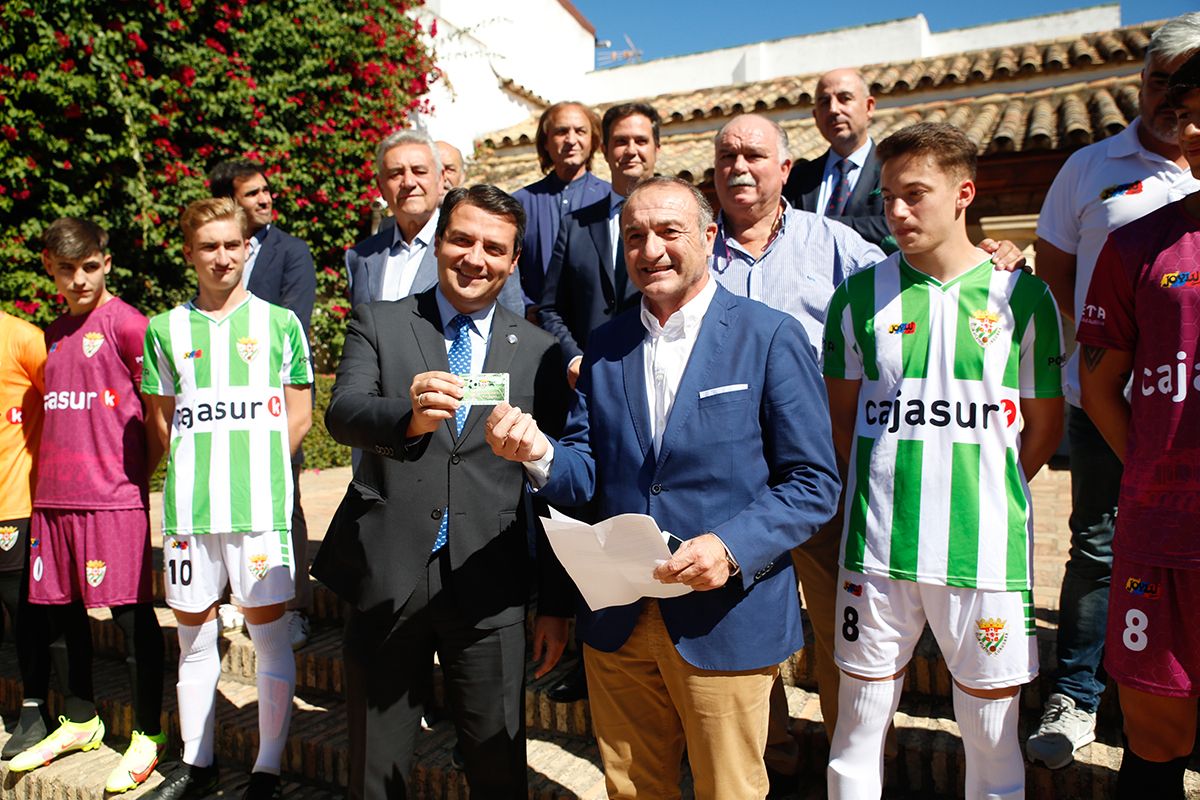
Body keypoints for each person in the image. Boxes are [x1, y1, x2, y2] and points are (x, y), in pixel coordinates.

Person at [487, 176, 841, 799]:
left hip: (723, 618)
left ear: (709, 237)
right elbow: (588, 468)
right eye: (634, 237)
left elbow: (812, 483)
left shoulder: (770, 336)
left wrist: (729, 548)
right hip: (619, 618)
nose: (650, 249)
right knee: (633, 791)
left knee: (728, 789)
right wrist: (539, 454)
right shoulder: (607, 344)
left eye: (668, 233)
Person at [822, 122, 1064, 799]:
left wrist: (985, 488)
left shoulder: (1023, 295)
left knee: (992, 743)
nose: (897, 211)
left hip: (983, 551)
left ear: (964, 194)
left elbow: (1043, 430)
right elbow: (845, 428)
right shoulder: (856, 298)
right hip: (875, 551)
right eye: (889, 195)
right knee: (855, 736)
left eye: (915, 194)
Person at [311, 184, 575, 799]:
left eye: (494, 247)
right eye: (461, 239)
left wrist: (557, 604)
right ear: (439, 243)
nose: (474, 257)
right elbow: (343, 412)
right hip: (390, 570)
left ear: (513, 262)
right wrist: (407, 419)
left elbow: (557, 484)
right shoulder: (381, 320)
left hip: (491, 583)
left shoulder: (539, 352)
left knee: (497, 763)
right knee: (377, 767)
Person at [1025, 11, 1200, 769]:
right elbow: (1057, 271)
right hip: (1111, 399)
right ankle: (1080, 692)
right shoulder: (1091, 165)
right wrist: (1111, 349)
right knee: (1101, 544)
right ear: (1140, 82)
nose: (1171, 98)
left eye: (1186, 84)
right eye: (1159, 81)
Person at [141, 198, 313, 800]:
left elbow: (299, 416)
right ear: (189, 253)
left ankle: (267, 766)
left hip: (261, 512)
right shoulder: (164, 329)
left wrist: (260, 468)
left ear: (248, 248)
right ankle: (198, 761)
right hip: (190, 512)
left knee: (267, 637)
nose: (221, 256)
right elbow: (162, 425)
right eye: (208, 246)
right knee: (193, 640)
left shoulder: (280, 323)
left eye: (231, 244)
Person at [1072, 51, 1200, 799]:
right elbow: (1099, 385)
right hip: (1162, 536)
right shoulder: (1134, 244)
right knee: (1155, 737)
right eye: (1186, 103)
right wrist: (1152, 467)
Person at [10, 219, 167, 794]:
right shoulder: (49, 334)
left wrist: (133, 481)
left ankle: (149, 732)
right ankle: (81, 719)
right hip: (52, 500)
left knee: (130, 618)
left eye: (90, 267)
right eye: (66, 269)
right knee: (58, 612)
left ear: (107, 261)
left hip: (113, 501)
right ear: (50, 267)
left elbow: (159, 417)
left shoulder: (130, 325)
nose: (79, 280)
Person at [210, 158, 318, 650]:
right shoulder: (217, 254)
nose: (265, 199)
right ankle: (236, 595)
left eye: (266, 191)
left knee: (283, 497)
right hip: (219, 396)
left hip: (274, 393)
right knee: (224, 495)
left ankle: (294, 606)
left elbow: (290, 321)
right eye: (252, 194)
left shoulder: (291, 253)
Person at [540, 102, 660, 393]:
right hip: (588, 382)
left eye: (641, 141)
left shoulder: (680, 221)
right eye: (620, 141)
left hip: (658, 375)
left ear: (657, 147)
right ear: (604, 150)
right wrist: (573, 357)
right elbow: (550, 308)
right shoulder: (576, 225)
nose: (631, 150)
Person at [345, 129, 524, 316]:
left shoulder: (483, 249)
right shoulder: (360, 257)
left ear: (440, 180)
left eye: (419, 171)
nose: (408, 182)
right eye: (396, 173)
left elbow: (511, 322)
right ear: (381, 186)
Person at [0, 308, 51, 759]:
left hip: (13, 504)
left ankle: (34, 710)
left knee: (21, 615)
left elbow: (61, 408)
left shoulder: (22, 337)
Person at [513, 102, 611, 307]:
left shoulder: (611, 199)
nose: (571, 140)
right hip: (535, 328)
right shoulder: (520, 203)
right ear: (546, 142)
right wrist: (524, 307)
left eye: (580, 131)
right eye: (561, 131)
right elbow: (505, 266)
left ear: (592, 140)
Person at [783, 69, 891, 248]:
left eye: (845, 98)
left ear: (869, 107)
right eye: (824, 102)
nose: (833, 109)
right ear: (815, 116)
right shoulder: (798, 179)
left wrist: (820, 227)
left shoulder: (894, 170)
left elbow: (895, 226)